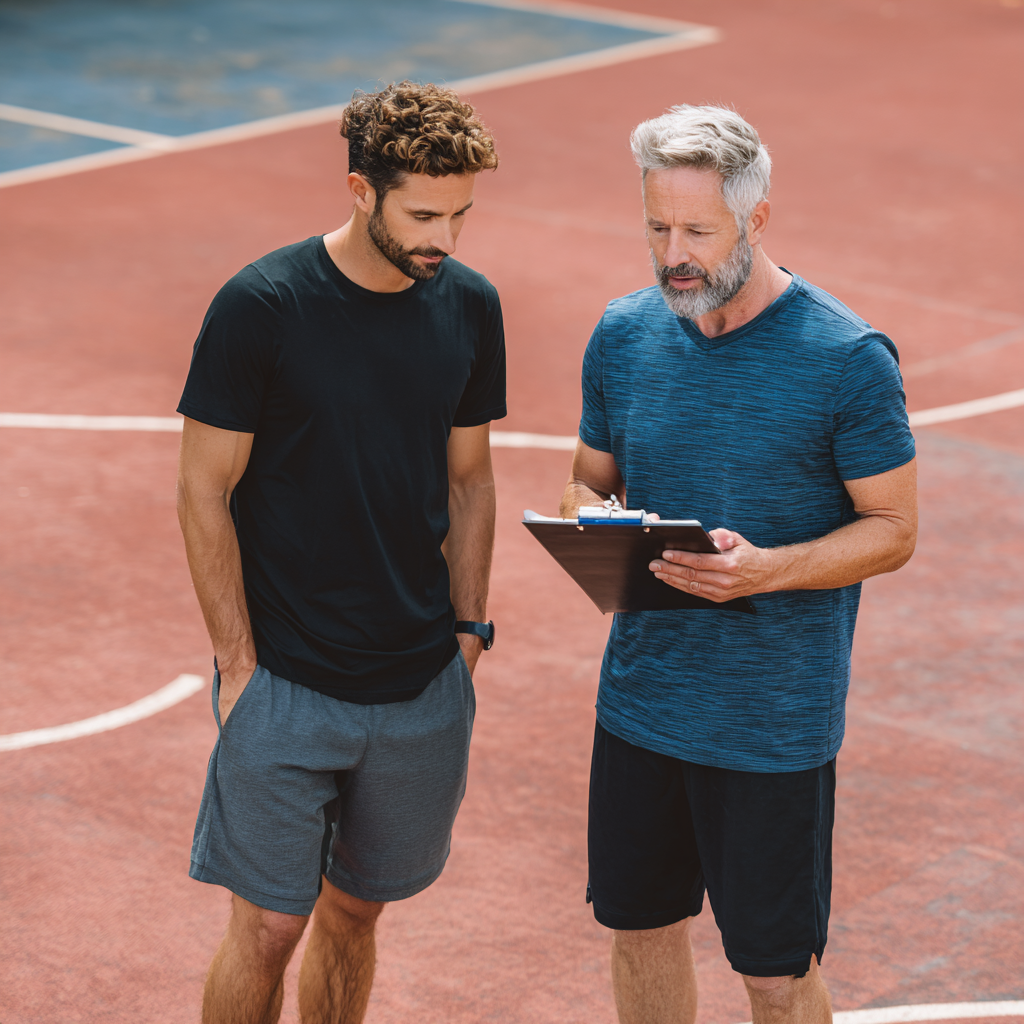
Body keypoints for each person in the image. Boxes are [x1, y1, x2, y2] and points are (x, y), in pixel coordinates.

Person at [560, 105, 917, 1024]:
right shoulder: (624, 333)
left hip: (771, 729)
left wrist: (767, 569)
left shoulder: (847, 360)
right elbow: (584, 486)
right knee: (639, 931)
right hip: (640, 706)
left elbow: (893, 528)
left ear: (756, 221)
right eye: (656, 226)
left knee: (772, 973)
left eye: (697, 231)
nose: (672, 252)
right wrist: (603, 536)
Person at [176, 81, 504, 1024]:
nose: (448, 236)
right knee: (270, 928)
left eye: (462, 212)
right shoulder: (262, 305)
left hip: (419, 685)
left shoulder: (469, 306)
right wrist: (238, 662)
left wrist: (470, 628)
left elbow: (470, 477)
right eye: (425, 211)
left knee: (358, 912)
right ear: (361, 189)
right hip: (285, 679)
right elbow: (204, 487)